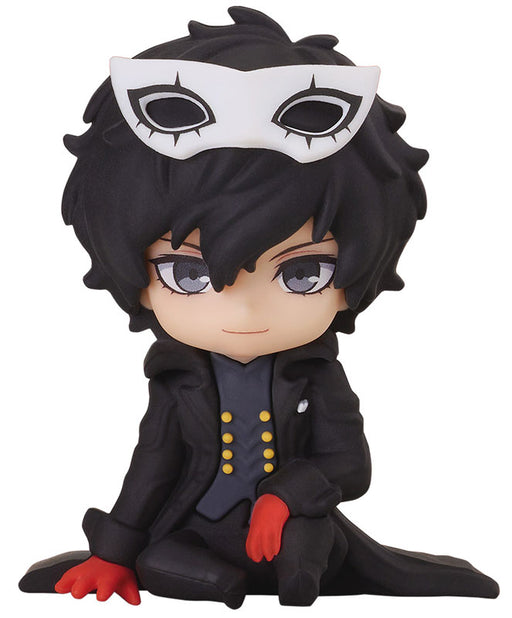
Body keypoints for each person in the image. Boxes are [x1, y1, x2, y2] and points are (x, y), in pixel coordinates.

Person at [19, 6, 498, 608]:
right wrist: (115, 552)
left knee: (306, 554)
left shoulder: (317, 376)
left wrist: (285, 496)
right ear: (134, 276)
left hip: (298, 528)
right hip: (200, 529)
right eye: (188, 274)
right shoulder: (177, 381)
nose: (243, 313)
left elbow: (349, 464)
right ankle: (226, 587)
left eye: (302, 273)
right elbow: (154, 463)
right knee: (163, 565)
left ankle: (297, 585)